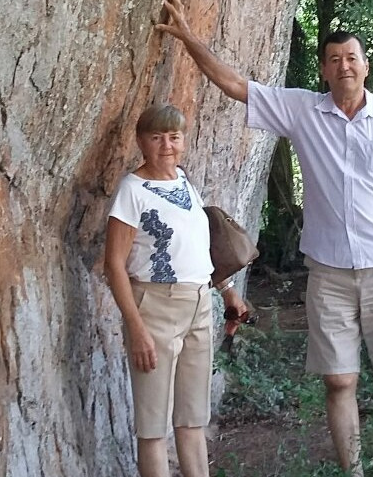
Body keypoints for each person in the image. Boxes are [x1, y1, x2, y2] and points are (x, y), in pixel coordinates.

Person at [155, 0, 373, 477]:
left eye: (351, 57)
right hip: (329, 274)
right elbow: (235, 85)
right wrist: (187, 37)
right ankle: (353, 472)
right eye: (334, 60)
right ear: (324, 70)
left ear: (365, 65)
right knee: (339, 381)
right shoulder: (302, 110)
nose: (344, 66)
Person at [104, 104, 246, 477]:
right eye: (156, 137)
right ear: (141, 142)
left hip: (199, 304)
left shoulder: (183, 181)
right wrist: (137, 329)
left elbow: (197, 246)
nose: (166, 145)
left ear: (184, 140)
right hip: (155, 307)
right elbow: (114, 265)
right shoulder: (132, 191)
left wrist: (227, 290)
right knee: (153, 426)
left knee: (192, 418)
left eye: (174, 137)